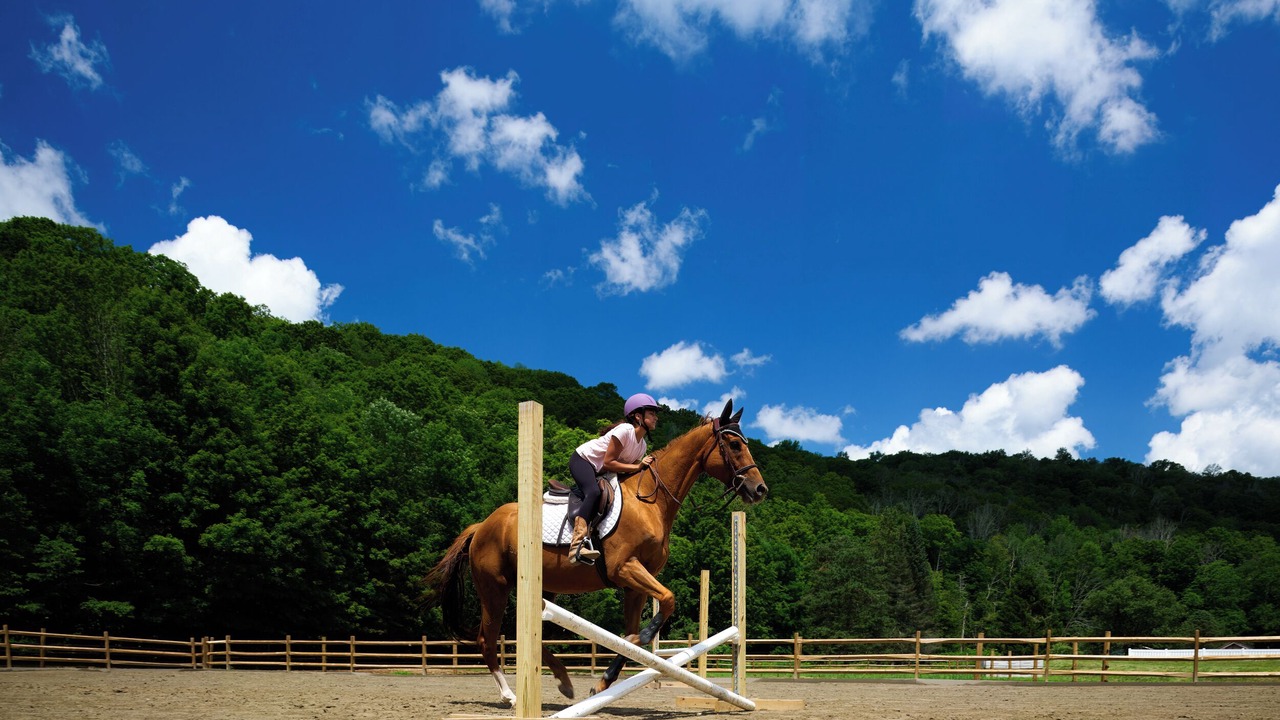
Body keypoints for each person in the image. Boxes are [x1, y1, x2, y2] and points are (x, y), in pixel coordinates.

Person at [566, 393, 659, 564]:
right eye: (652, 413)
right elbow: (609, 463)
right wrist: (638, 466)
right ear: (638, 416)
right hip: (583, 460)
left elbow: (625, 470)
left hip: (601, 471)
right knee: (593, 492)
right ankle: (576, 546)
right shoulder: (625, 431)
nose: (656, 417)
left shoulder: (642, 446)